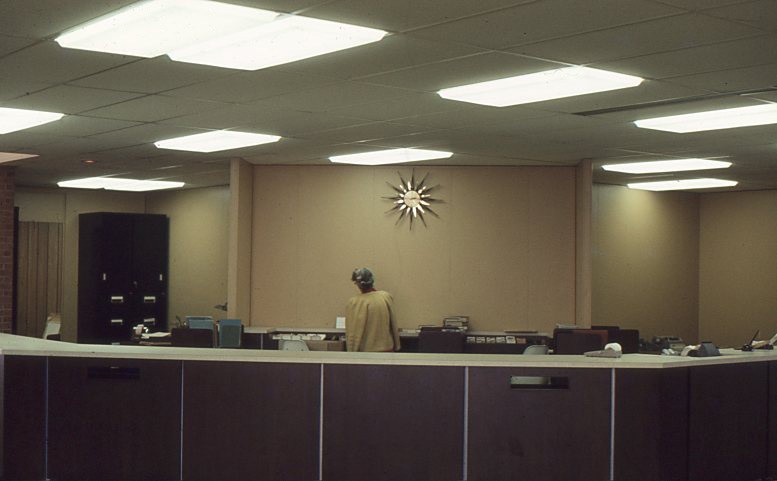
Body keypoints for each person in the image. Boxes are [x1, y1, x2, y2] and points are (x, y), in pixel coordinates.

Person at [345, 268, 400, 352]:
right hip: (387, 350)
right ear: (372, 280)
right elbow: (394, 325)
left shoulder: (354, 302)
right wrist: (397, 345)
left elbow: (353, 332)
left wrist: (351, 352)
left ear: (357, 284)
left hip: (366, 354)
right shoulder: (386, 297)